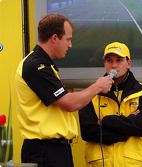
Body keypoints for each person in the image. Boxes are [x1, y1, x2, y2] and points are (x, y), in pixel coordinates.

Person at [14, 13, 113, 167]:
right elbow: (69, 103)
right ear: (54, 38)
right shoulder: (36, 66)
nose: (70, 44)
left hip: (53, 149)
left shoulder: (43, 65)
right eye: (68, 39)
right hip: (45, 151)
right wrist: (98, 86)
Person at [78, 42, 142, 167]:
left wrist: (107, 121)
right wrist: (128, 129)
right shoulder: (92, 92)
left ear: (129, 63)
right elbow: (88, 131)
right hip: (101, 163)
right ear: (104, 64)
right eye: (109, 60)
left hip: (136, 163)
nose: (114, 65)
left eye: (119, 60)